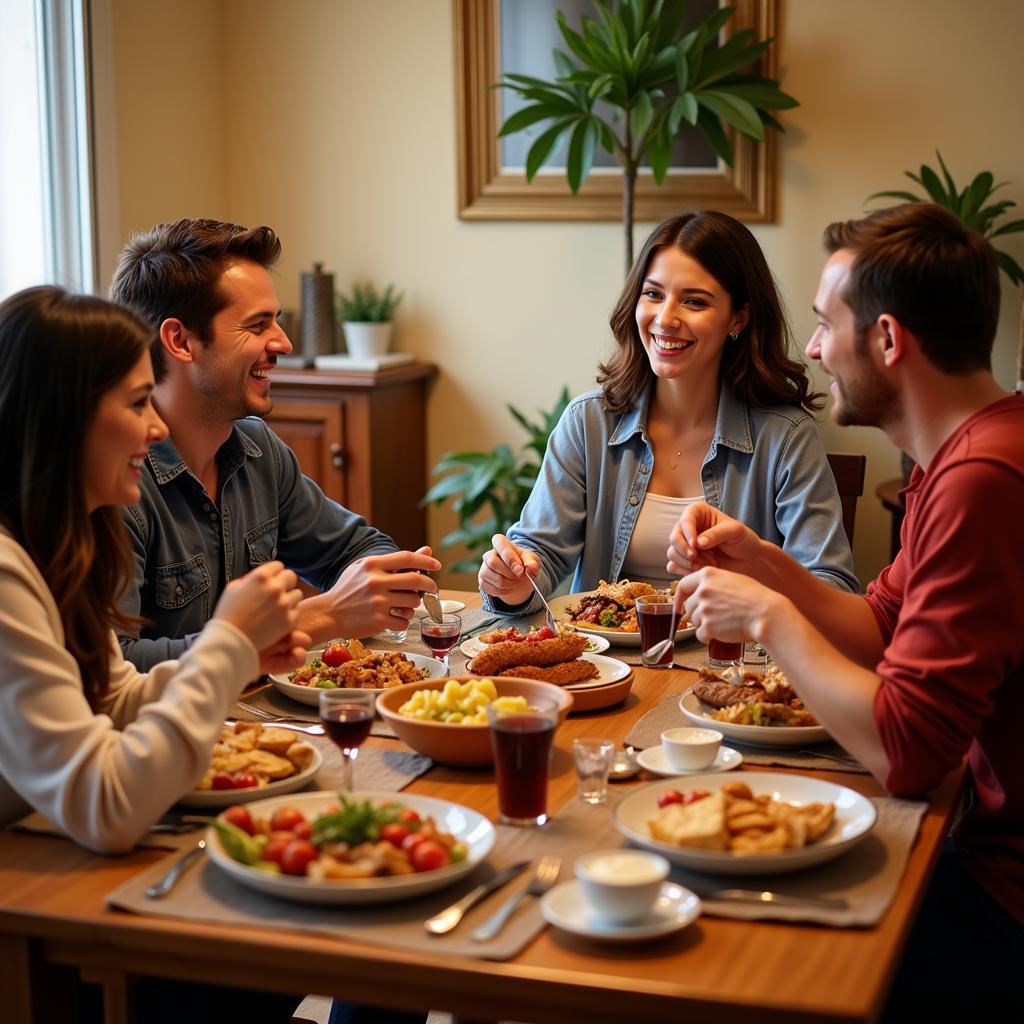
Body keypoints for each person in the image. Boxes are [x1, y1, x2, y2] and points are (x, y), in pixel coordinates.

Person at [669, 203, 1024, 1015]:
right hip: (980, 846)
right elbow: (879, 629)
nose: (815, 348)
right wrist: (763, 562)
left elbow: (907, 753)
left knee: (732, 957)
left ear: (890, 341)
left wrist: (766, 617)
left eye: (828, 324)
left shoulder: (983, 485)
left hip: (1003, 900)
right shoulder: (966, 456)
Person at [0, 286, 306, 851]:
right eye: (138, 402)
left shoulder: (63, 549)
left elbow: (115, 700)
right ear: (63, 419)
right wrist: (228, 641)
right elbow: (107, 809)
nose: (158, 427)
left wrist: (240, 655)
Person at [478, 210, 857, 613]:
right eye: (653, 294)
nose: (665, 319)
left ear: (738, 318)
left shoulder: (785, 438)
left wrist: (756, 578)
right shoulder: (587, 422)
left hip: (731, 665)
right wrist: (513, 579)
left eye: (694, 301)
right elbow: (539, 553)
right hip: (607, 666)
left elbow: (832, 587)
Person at [108, 218, 439, 670]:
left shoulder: (256, 447)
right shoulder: (113, 482)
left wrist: (382, 579)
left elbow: (357, 549)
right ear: (180, 340)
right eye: (257, 325)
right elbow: (114, 669)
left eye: (276, 321)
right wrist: (316, 618)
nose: (282, 342)